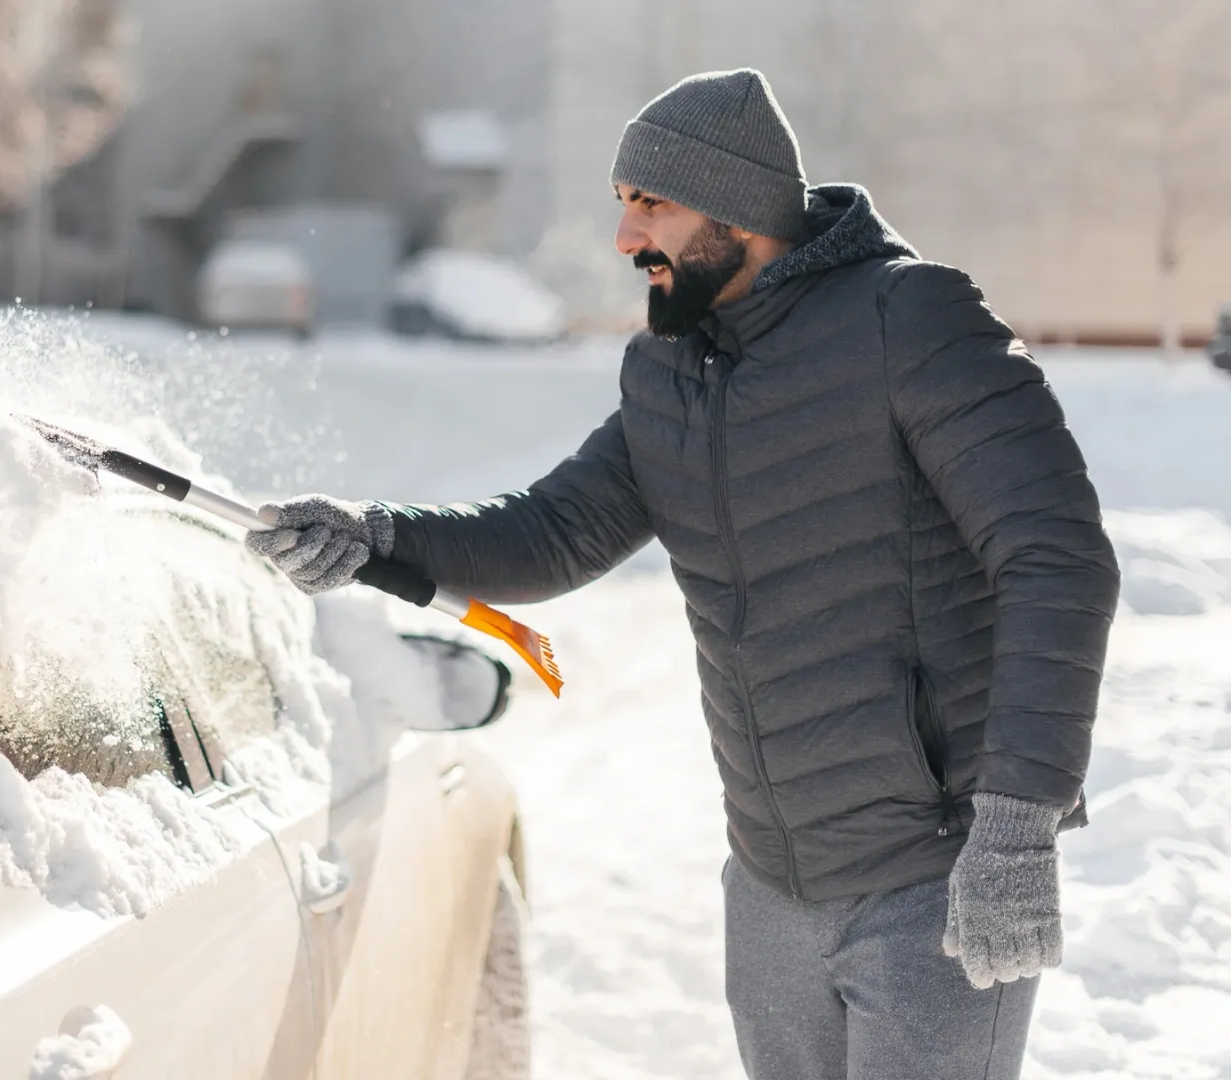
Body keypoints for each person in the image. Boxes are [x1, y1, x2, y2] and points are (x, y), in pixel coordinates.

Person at [247, 69, 1119, 1080]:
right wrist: (379, 537)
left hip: (933, 882)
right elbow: (555, 531)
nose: (626, 240)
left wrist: (1016, 821)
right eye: (623, 205)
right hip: (770, 889)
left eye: (650, 205)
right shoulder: (670, 373)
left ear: (740, 210)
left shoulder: (909, 320)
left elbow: (1057, 557)